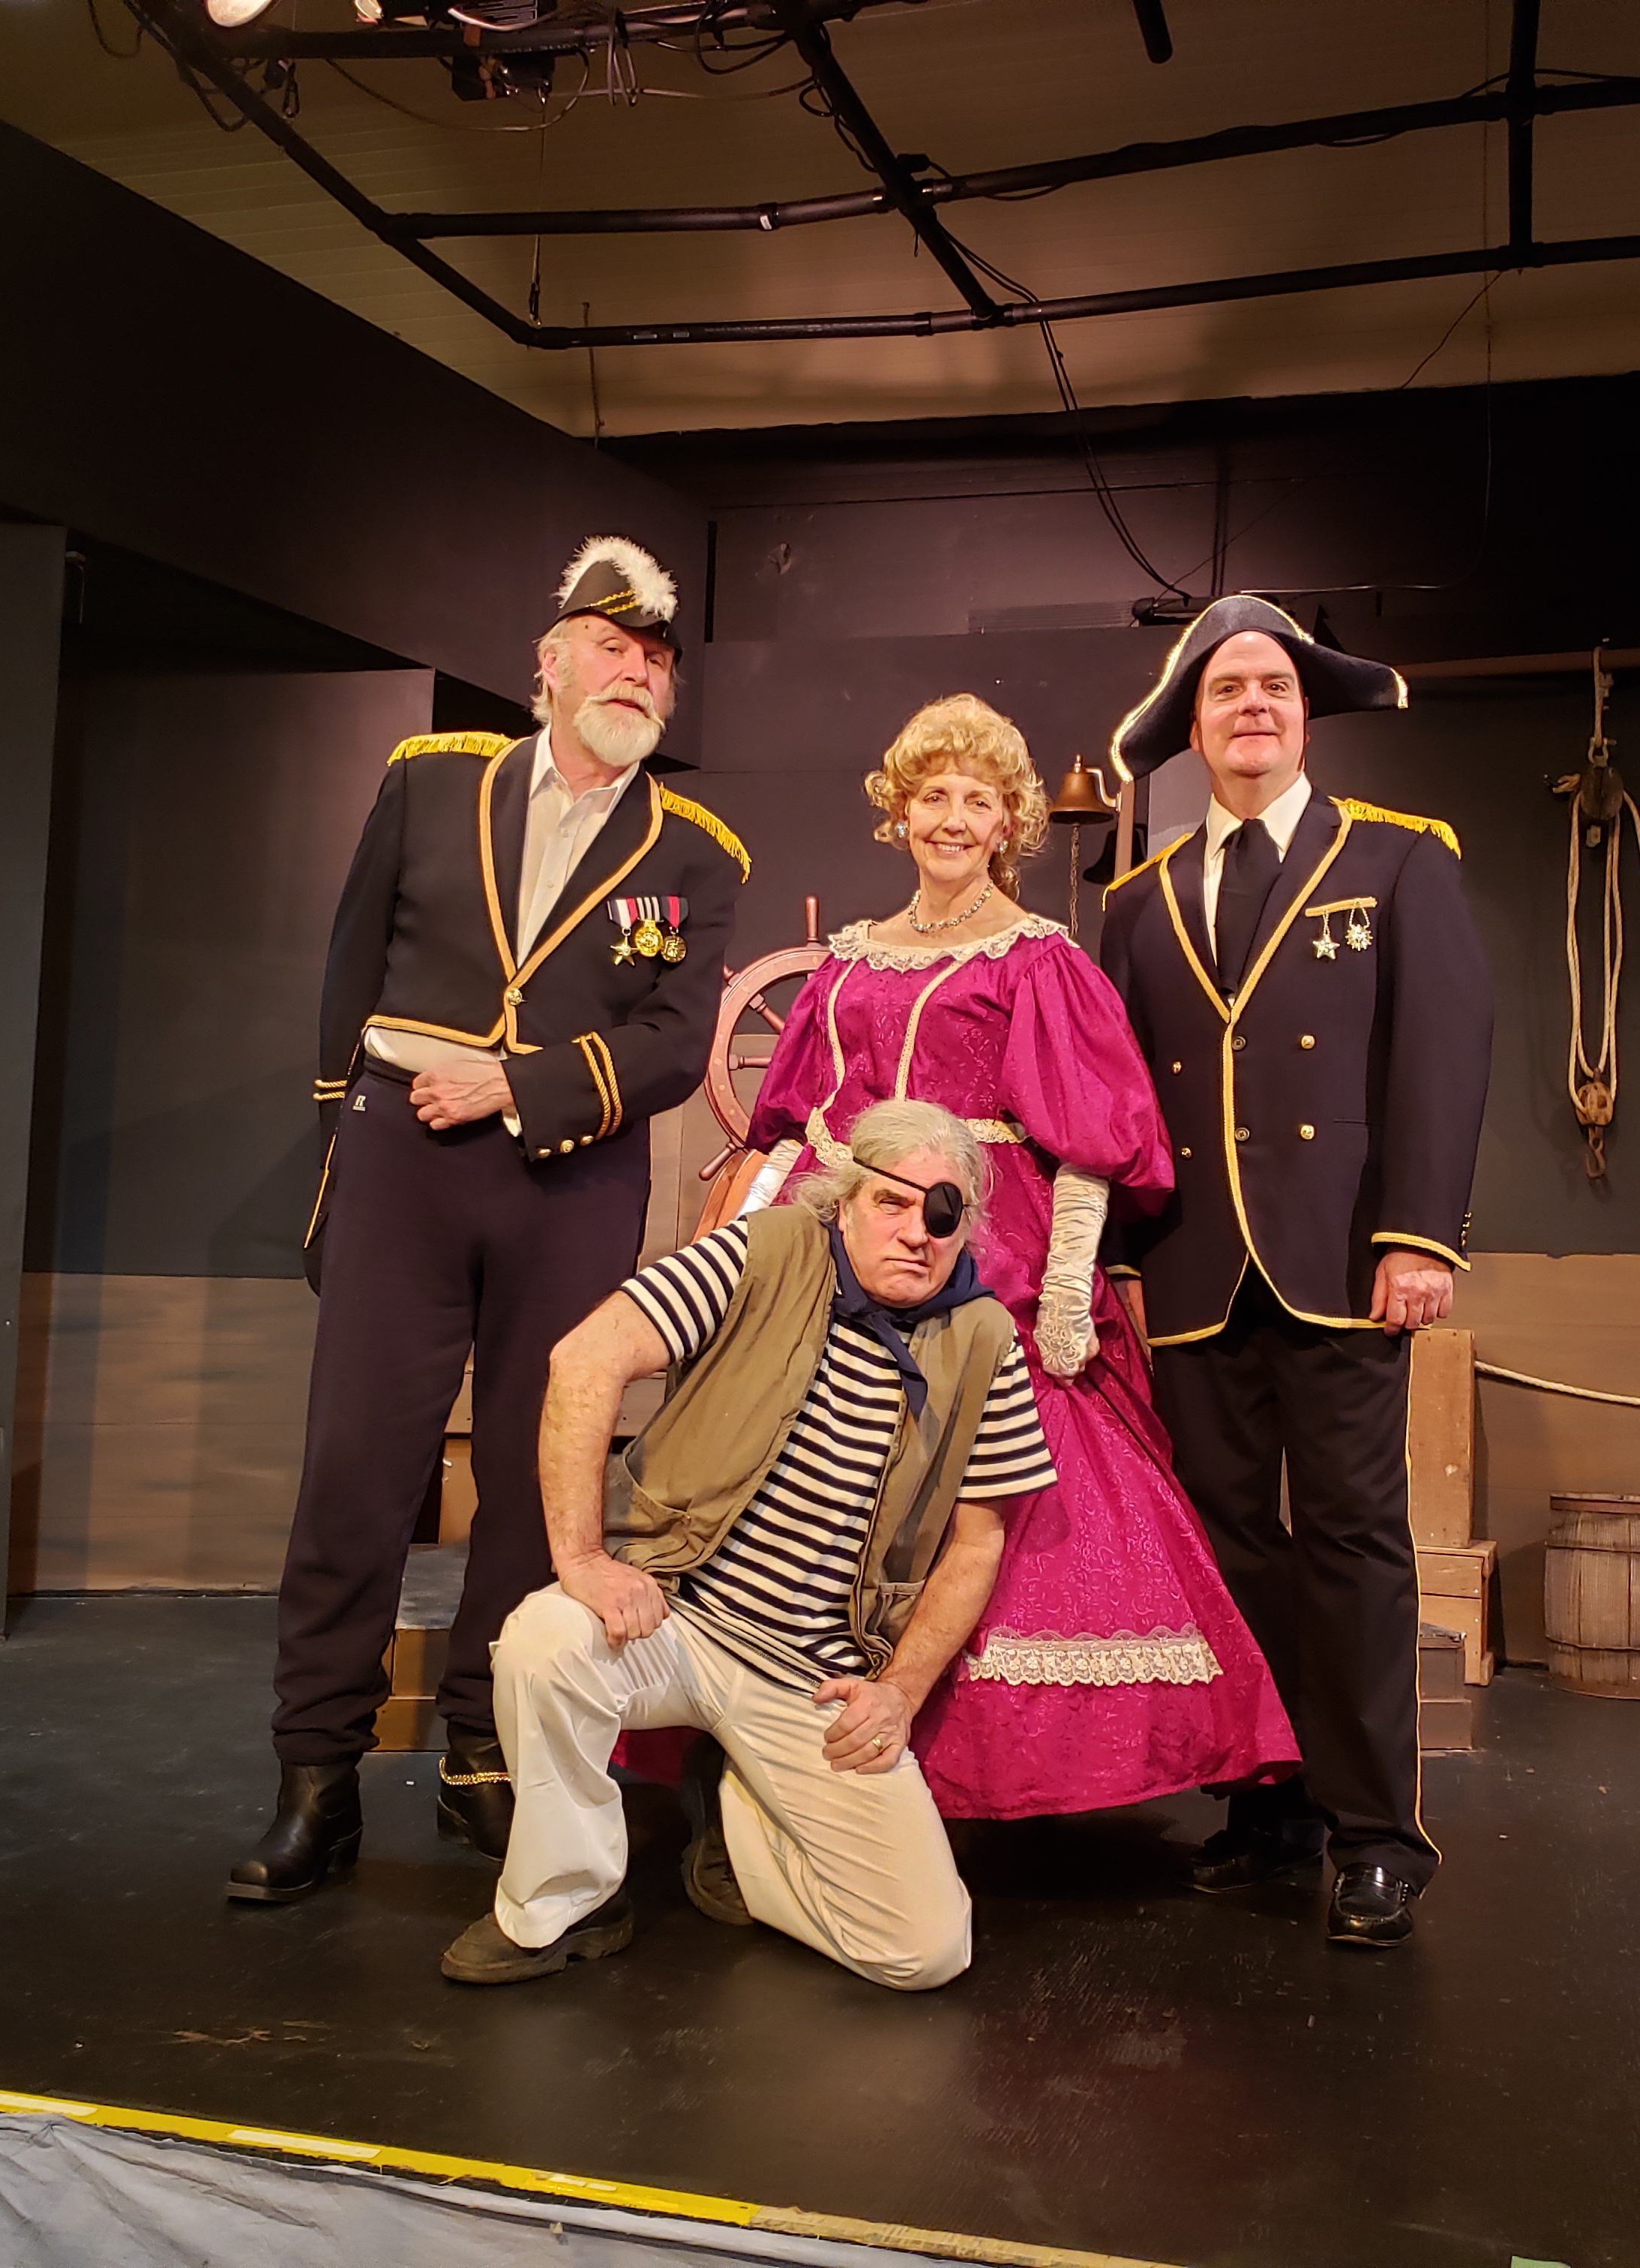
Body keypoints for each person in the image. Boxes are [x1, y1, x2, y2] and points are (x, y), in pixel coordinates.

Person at [229, 536, 751, 1902]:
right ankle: (316, 1773)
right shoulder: (431, 779)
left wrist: (518, 1085)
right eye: (612, 646)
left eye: (658, 660)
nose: (636, 672)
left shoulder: (695, 853)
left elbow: (673, 1038)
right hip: (402, 1159)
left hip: (570, 1176)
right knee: (357, 1468)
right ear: (550, 661)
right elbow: (349, 972)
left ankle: (484, 1745)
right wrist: (343, 1160)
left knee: (537, 1472)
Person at [724, 694, 1294, 1820]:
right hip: (846, 1243)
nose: (953, 818)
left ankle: (984, 1759)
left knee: (1004, 1484)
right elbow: (794, 1129)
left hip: (989, 1245)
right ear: (899, 812)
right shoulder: (846, 961)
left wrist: (1069, 1287)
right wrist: (752, 1249)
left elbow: (1088, 1140)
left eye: (977, 801)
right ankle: (787, 1723)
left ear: (1007, 825)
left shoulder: (1038, 960)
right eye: (933, 795)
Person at [441, 1101, 1052, 1989]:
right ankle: (563, 1902)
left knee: (923, 1952)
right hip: (674, 1622)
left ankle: (738, 1813)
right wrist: (581, 1560)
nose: (918, 1232)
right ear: (845, 1200)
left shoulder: (984, 1338)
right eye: (892, 1202)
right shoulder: (766, 1250)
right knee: (544, 1643)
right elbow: (585, 1359)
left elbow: (977, 1542)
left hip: (814, 1674)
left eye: (943, 1212)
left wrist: (900, 1690)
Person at [1094, 596, 1492, 1950]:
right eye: (1225, 690)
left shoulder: (1398, 858)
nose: (1251, 705)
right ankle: (1271, 1807)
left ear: (1305, 713)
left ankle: (1378, 1836)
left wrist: (1419, 1231)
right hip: (1194, 1270)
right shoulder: (1137, 900)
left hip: (1340, 1262)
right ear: (1194, 724)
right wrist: (1121, 1258)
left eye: (1271, 684)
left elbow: (1441, 1054)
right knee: (1230, 1551)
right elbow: (1119, 1100)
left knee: (1353, 1542)